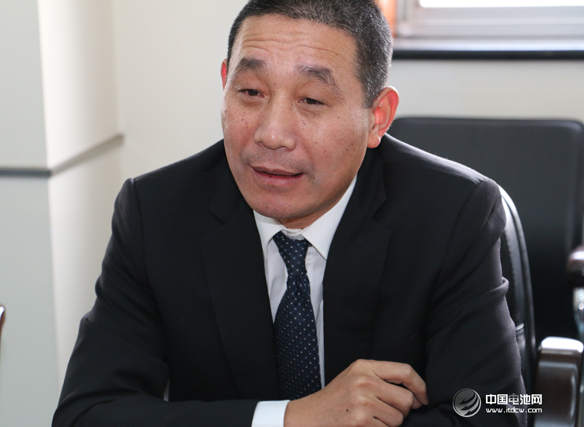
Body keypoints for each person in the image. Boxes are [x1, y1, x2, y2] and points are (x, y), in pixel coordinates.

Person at [53, 1, 525, 426]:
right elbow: (86, 413)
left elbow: (501, 410)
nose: (272, 134)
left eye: (311, 100)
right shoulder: (157, 213)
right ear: (225, 84)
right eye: (251, 92)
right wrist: (291, 419)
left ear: (377, 116)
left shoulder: (452, 213)